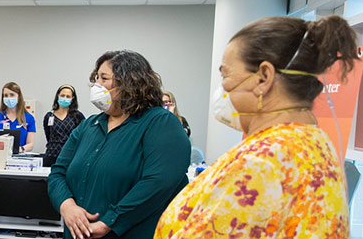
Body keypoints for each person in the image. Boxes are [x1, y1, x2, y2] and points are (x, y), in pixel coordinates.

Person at [155, 16, 354, 238]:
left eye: (225, 76)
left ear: (264, 78)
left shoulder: (262, 161)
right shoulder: (314, 142)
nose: (222, 89)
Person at [47, 50, 190, 239]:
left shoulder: (160, 123)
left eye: (104, 78)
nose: (97, 85)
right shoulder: (89, 126)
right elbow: (58, 172)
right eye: (96, 78)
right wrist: (67, 206)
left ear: (129, 82)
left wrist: (109, 222)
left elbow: (159, 183)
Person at [42, 84, 85, 167]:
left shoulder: (78, 116)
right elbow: (48, 136)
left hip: (70, 156)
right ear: (58, 96)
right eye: (62, 95)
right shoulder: (49, 116)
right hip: (51, 156)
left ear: (72, 99)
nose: (64, 98)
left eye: (68, 96)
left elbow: (82, 137)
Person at [0, 82, 36, 152]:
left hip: (20, 156)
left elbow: (30, 144)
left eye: (12, 95)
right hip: (0, 154)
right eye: (6, 95)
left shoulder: (29, 118)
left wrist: (18, 149)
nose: (9, 98)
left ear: (19, 96)